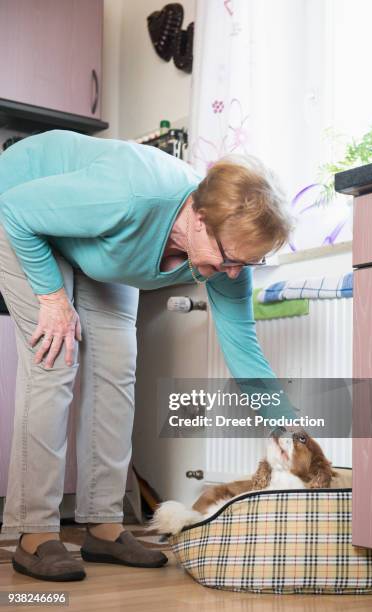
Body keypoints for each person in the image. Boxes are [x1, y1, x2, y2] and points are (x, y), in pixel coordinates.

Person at [0, 129, 293, 582]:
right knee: (55, 362)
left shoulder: (230, 262)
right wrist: (53, 298)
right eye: (228, 258)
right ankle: (34, 532)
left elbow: (245, 352)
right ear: (197, 218)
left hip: (96, 243)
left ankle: (104, 525)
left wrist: (287, 428)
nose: (233, 272)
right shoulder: (128, 196)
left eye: (246, 264)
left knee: (117, 369)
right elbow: (16, 210)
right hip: (20, 207)